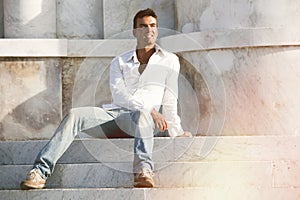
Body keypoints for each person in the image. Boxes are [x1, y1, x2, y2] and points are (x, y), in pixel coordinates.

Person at [20, 8, 191, 190]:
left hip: (144, 123)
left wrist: (176, 130)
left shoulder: (170, 60)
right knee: (74, 115)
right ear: (134, 31)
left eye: (153, 25)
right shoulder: (120, 61)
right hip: (115, 117)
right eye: (143, 26)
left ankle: (143, 171)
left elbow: (171, 97)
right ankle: (39, 172)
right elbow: (120, 95)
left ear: (157, 29)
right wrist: (151, 109)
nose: (149, 30)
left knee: (142, 115)